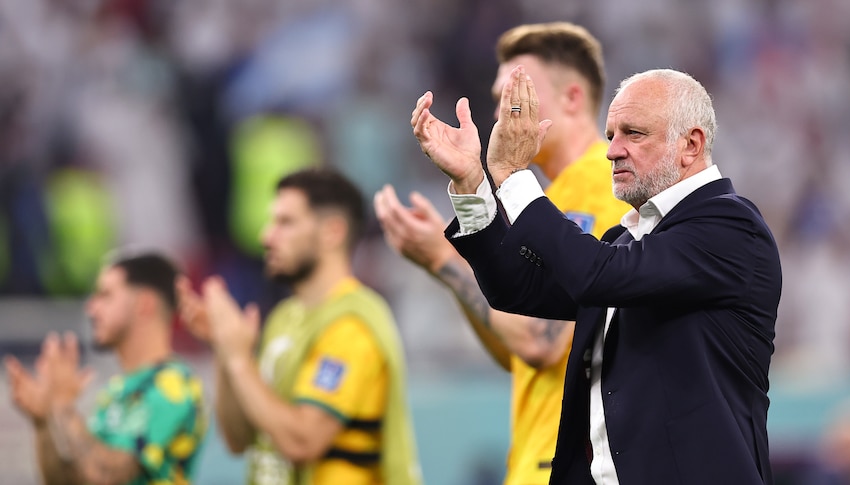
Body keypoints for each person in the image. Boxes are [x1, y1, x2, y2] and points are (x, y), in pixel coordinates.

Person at [411, 66, 782, 484]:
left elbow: (596, 275)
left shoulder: (731, 226)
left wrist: (514, 178)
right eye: (610, 135)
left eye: (633, 134)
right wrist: (472, 182)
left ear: (691, 144)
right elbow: (517, 289)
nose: (613, 150)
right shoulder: (626, 241)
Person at [374, 22, 629, 485]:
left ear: (572, 98)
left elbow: (541, 341)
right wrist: (451, 249)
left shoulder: (600, 185)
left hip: (570, 463)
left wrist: (444, 259)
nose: (499, 112)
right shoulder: (554, 197)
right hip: (535, 459)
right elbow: (516, 339)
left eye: (515, 94)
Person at [177, 167, 422, 485]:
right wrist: (225, 350)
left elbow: (302, 441)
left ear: (332, 232)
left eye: (285, 223)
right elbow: (240, 439)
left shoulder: (352, 324)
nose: (266, 236)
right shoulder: (284, 317)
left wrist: (239, 359)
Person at [4, 252, 207, 485]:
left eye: (105, 295)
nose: (91, 308)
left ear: (144, 304)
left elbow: (105, 476)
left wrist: (61, 405)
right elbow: (68, 480)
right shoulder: (116, 390)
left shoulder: (175, 388)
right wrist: (44, 422)